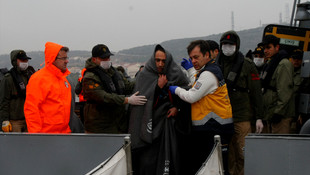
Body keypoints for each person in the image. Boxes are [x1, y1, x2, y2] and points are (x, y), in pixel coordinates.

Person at [170, 40, 234, 175]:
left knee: (216, 168)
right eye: (191, 58)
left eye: (196, 57)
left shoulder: (209, 74)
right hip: (212, 129)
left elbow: (191, 96)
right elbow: (198, 84)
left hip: (215, 129)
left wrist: (175, 89)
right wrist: (191, 70)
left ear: (207, 55)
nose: (193, 61)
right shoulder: (208, 71)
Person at [129, 45, 191, 175]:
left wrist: (177, 108)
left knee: (173, 157)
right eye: (157, 60)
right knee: (148, 160)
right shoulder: (144, 75)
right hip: (150, 125)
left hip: (171, 124)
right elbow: (142, 99)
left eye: (163, 60)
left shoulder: (175, 73)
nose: (160, 64)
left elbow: (186, 94)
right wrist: (157, 87)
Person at [216, 31, 264, 175]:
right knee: (229, 155)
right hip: (223, 117)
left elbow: (256, 92)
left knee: (244, 153)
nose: (227, 47)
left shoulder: (247, 65)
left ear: (237, 46)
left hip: (242, 116)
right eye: (224, 44)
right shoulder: (217, 64)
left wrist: (259, 117)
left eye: (230, 44)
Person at [82, 44, 147, 133]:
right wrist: (126, 100)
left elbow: (127, 86)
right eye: (103, 58)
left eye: (108, 57)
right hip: (99, 127)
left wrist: (143, 78)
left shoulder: (115, 73)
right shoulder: (90, 77)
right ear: (94, 59)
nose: (107, 60)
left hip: (118, 125)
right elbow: (103, 97)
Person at [24, 42, 72, 133]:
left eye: (67, 58)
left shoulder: (63, 79)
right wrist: (36, 136)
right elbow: (31, 109)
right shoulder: (39, 79)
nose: (67, 61)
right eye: (63, 58)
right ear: (53, 58)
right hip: (46, 135)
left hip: (63, 133)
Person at [260, 35, 295, 134]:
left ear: (277, 47)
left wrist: (278, 113)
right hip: (271, 113)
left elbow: (284, 91)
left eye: (268, 47)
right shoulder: (271, 63)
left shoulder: (283, 64)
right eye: (264, 48)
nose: (265, 51)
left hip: (281, 115)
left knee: (280, 146)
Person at [0, 50, 35, 132]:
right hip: (14, 121)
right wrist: (4, 120)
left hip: (29, 120)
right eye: (22, 60)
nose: (25, 62)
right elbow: (3, 101)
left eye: (26, 60)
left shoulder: (30, 76)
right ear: (15, 61)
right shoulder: (8, 79)